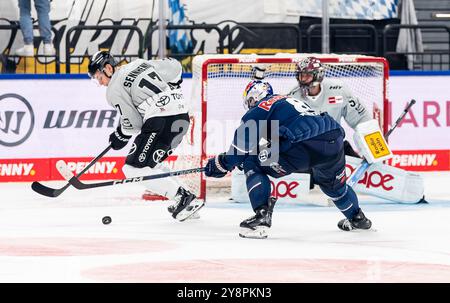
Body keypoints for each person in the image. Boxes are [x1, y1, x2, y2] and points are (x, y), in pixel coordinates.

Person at [204, 80, 374, 239]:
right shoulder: (287, 101)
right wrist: (237, 159)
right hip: (332, 140)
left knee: (253, 163)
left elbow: (241, 146)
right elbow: (271, 144)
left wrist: (221, 164)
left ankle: (261, 217)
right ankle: (358, 219)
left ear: (253, 98)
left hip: (303, 143)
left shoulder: (261, 108)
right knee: (334, 187)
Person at [87, 51, 204, 221]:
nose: (101, 83)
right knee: (152, 165)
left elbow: (133, 124)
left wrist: (120, 135)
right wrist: (175, 84)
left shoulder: (113, 89)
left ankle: (182, 198)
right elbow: (175, 66)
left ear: (108, 68)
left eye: (99, 78)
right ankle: (188, 202)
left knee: (132, 169)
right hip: (181, 117)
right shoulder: (139, 64)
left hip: (161, 119)